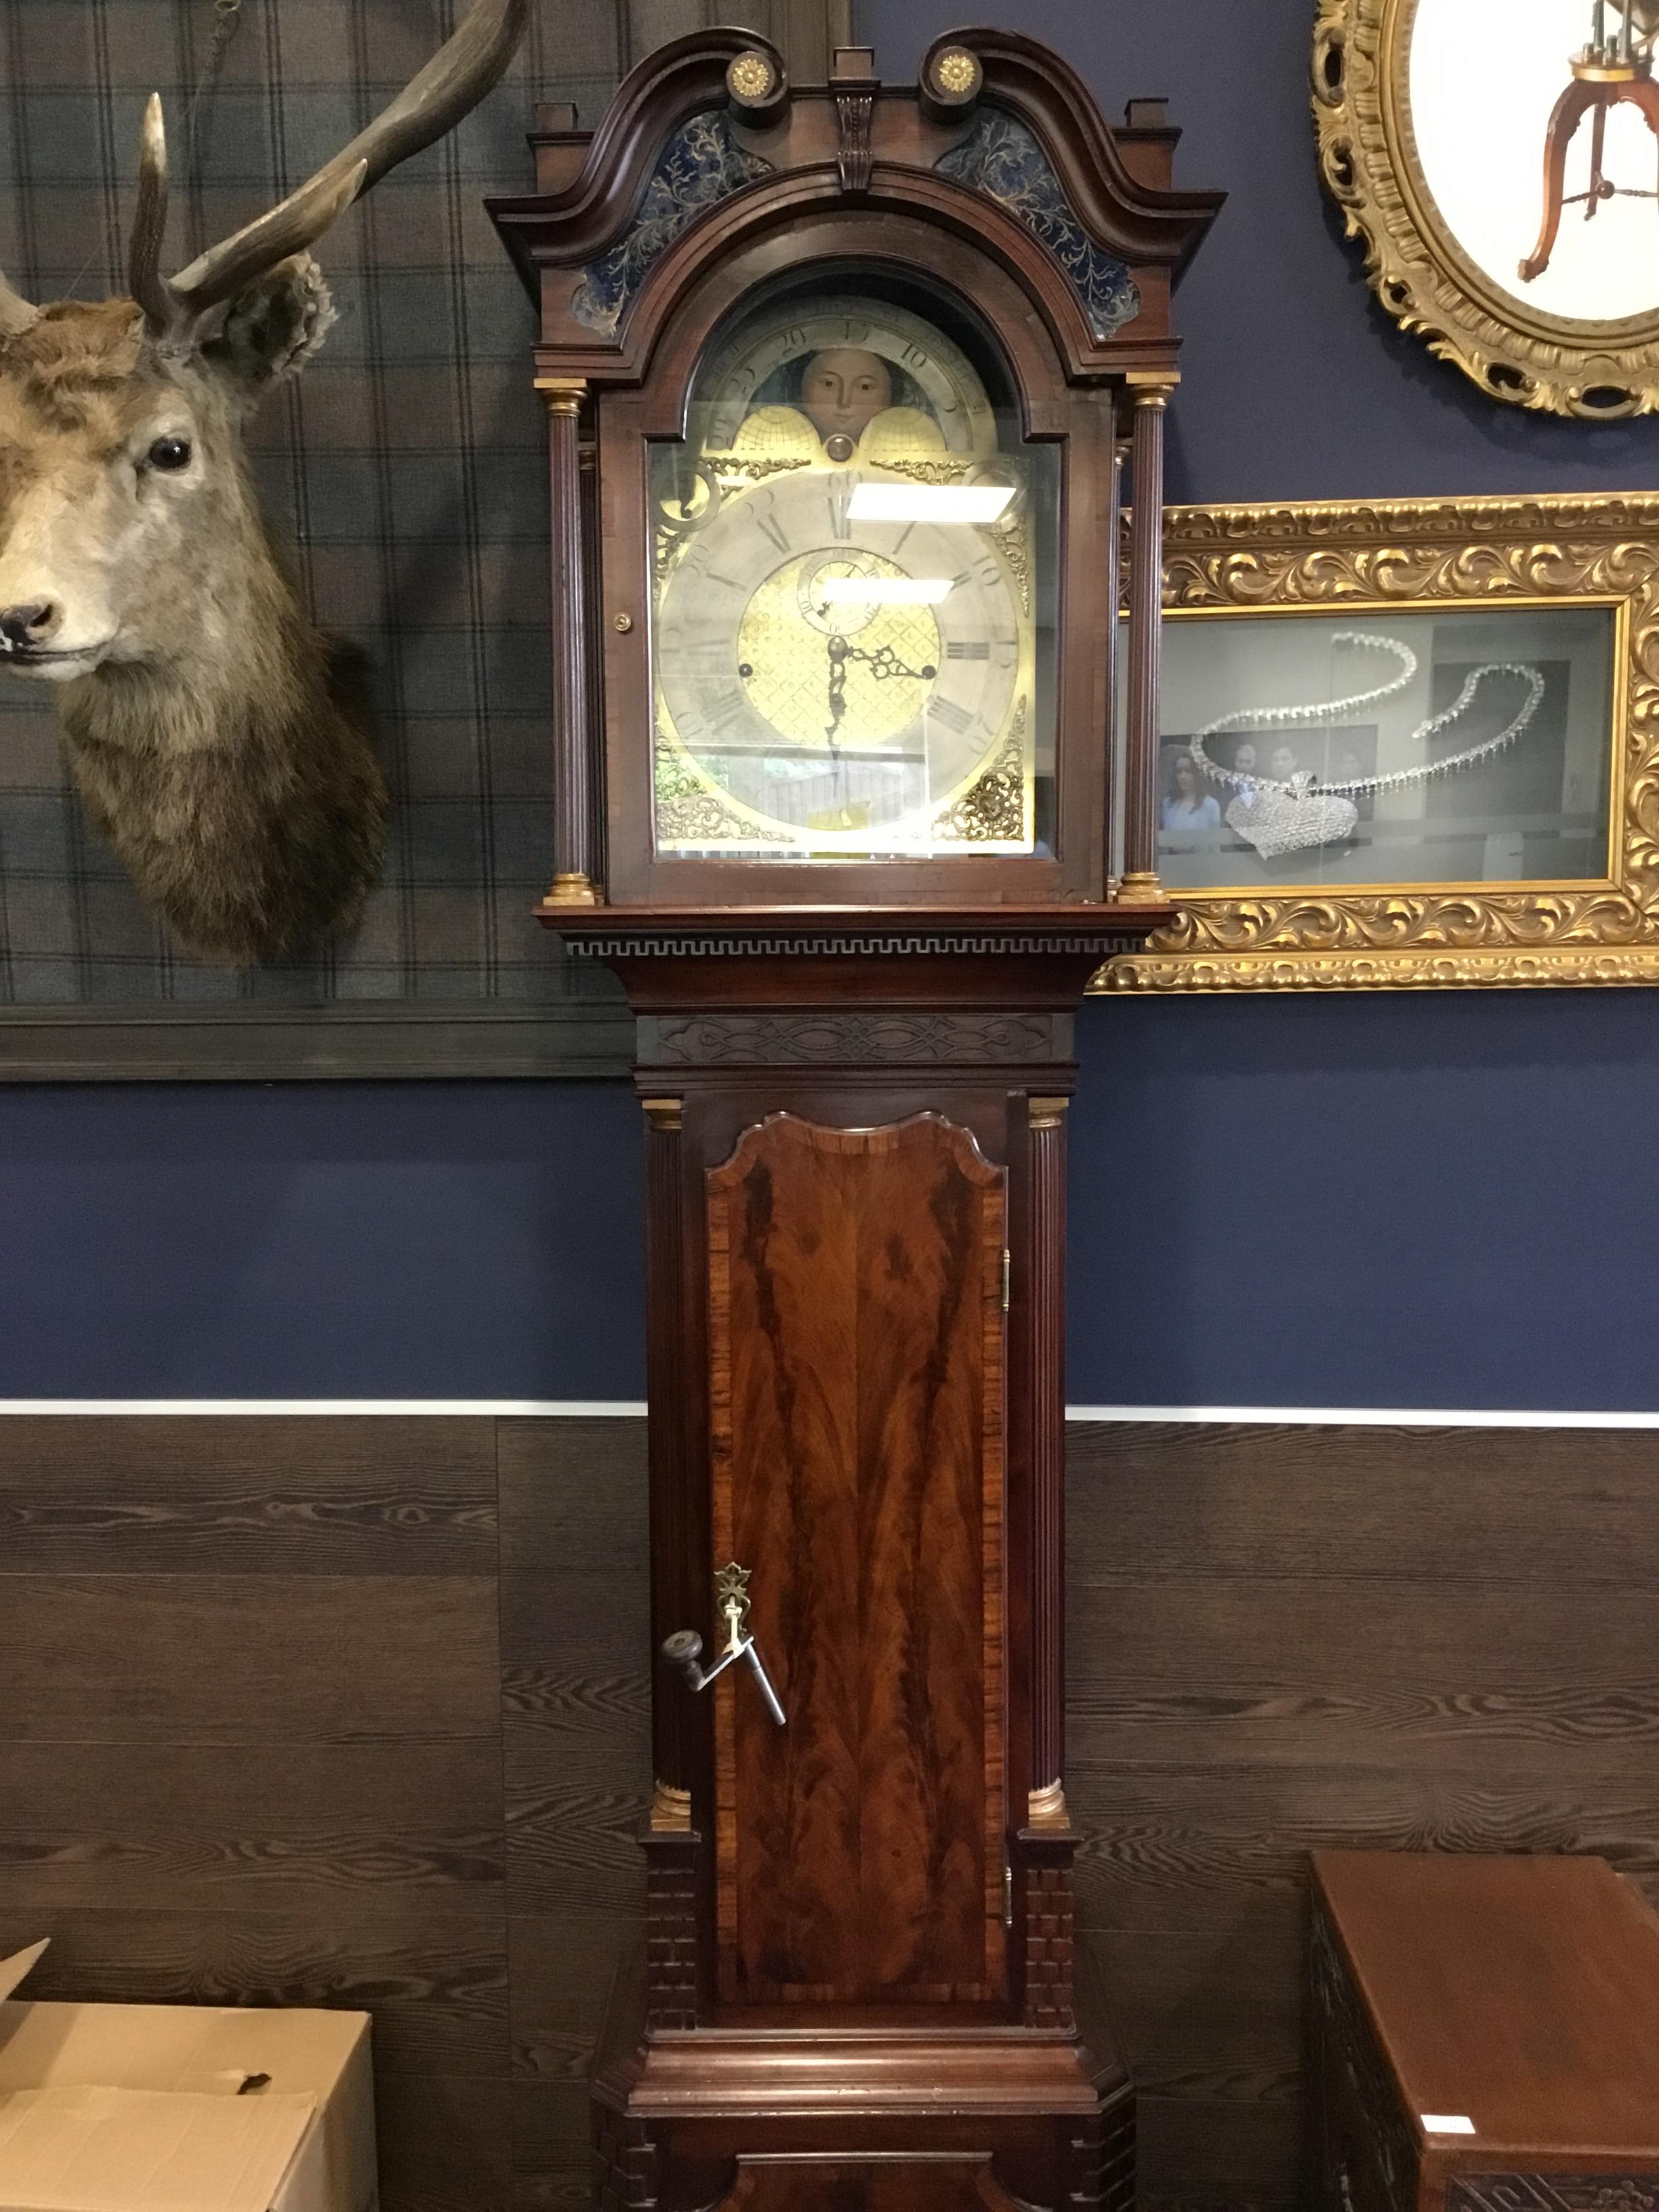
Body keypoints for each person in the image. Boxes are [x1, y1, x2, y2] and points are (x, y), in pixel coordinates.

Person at [1162, 750, 1221, 833]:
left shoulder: (1210, 805)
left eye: (1188, 771)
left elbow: (1215, 841)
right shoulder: (1168, 804)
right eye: (1179, 772)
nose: (1183, 777)